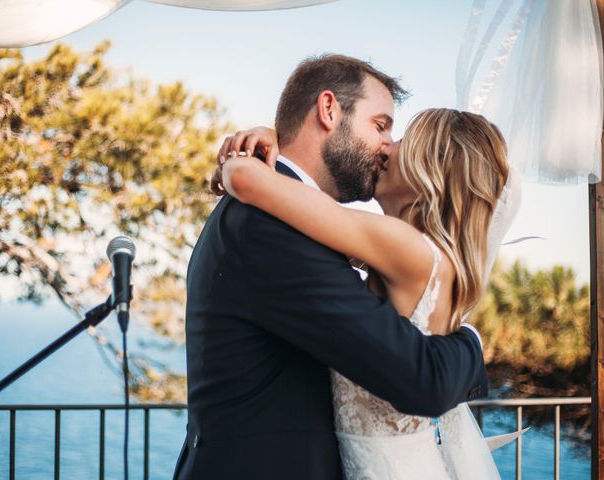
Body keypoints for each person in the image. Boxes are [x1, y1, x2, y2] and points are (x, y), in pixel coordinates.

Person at [173, 54, 489, 480]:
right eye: (380, 125)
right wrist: (470, 341)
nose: (385, 147)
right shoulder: (274, 228)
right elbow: (421, 379)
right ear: (328, 110)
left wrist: (247, 159)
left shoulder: (300, 221)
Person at [218, 106, 521, 478]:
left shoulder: (402, 246)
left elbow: (246, 181)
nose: (386, 149)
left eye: (404, 143)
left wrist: (244, 157)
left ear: (428, 169)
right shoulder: (435, 261)